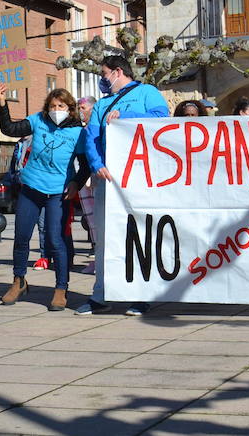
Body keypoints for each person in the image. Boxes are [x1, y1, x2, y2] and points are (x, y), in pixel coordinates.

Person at [77, 54, 170, 317]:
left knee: (140, 235)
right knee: (105, 239)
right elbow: (91, 137)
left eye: (104, 74)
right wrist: (96, 164)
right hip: (109, 178)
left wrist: (127, 114)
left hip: (140, 177)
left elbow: (161, 117)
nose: (102, 80)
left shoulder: (147, 92)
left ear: (118, 72)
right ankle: (101, 294)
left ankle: (141, 295)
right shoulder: (101, 105)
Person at [0, 85, 87, 311]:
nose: (56, 110)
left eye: (61, 106)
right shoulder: (38, 121)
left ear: (70, 109)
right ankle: (19, 281)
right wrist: (1, 103)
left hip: (58, 192)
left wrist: (77, 183)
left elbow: (85, 165)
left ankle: (60, 289)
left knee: (55, 240)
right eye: (52, 106)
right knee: (21, 236)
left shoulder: (79, 132)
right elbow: (9, 129)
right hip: (31, 187)